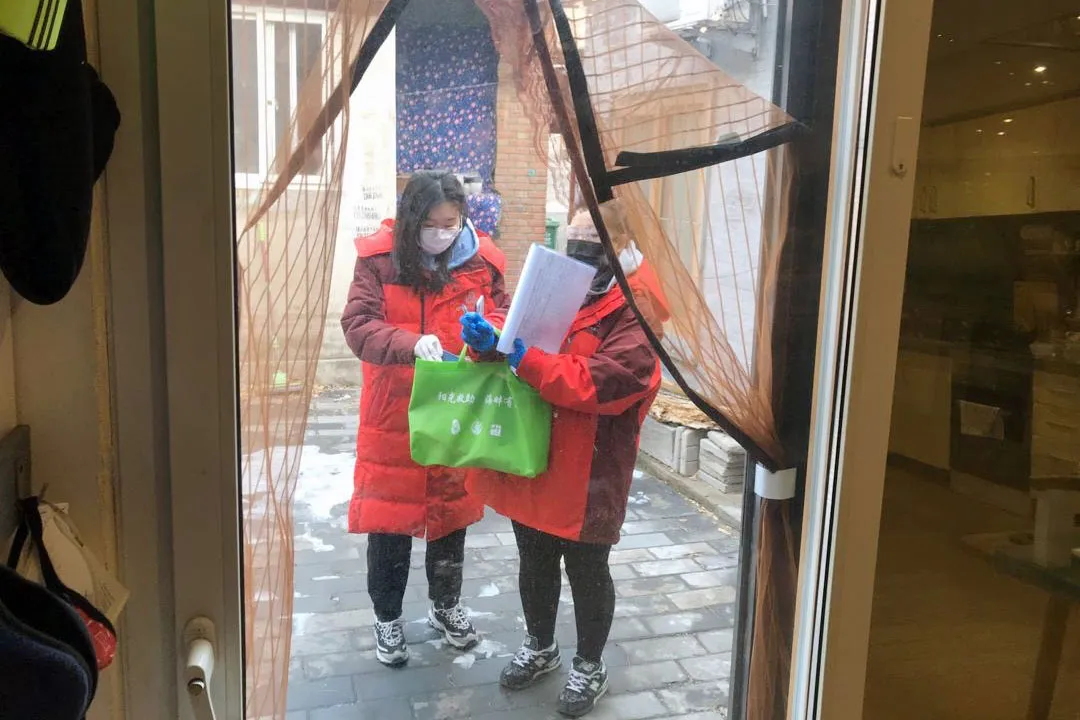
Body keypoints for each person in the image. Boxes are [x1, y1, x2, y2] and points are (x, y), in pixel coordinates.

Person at [460, 204, 662, 717]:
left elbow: (608, 382)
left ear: (624, 242)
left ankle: (589, 664)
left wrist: (525, 359)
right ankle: (540, 645)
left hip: (591, 465)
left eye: (592, 237)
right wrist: (488, 337)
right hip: (534, 450)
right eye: (574, 236)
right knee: (534, 557)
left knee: (588, 569)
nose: (579, 247)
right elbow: (518, 320)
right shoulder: (562, 281)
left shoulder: (638, 306)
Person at [341, 170, 508, 667]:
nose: (440, 234)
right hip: (394, 412)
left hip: (456, 408)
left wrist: (489, 334)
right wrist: (410, 344)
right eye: (430, 224)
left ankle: (445, 605)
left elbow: (503, 312)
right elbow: (358, 325)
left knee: (450, 517)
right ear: (411, 218)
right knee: (389, 525)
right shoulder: (379, 260)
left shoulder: (482, 261)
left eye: (450, 224)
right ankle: (387, 618)